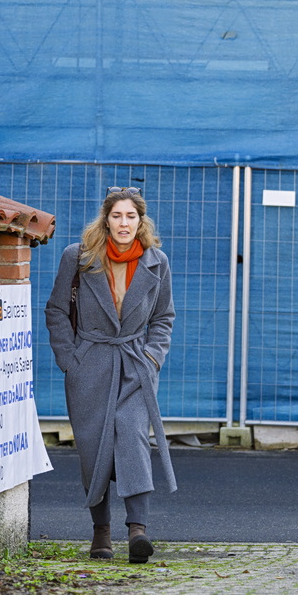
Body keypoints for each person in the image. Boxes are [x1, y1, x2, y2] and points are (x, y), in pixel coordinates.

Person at [44, 186, 176, 564]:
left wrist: (152, 357)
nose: (123, 223)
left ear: (140, 220)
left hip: (135, 364)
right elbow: (56, 310)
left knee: (133, 436)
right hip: (90, 364)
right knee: (94, 447)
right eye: (116, 216)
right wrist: (70, 360)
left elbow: (163, 317)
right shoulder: (79, 257)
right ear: (106, 220)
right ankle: (100, 531)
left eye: (130, 216)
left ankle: (138, 530)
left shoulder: (156, 262)